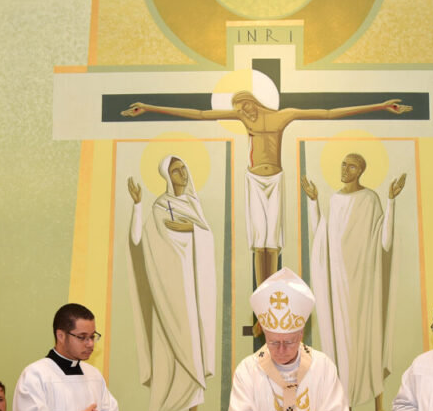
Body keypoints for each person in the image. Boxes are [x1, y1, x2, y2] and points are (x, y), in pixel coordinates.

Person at [122, 93, 411, 291]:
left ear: (253, 101)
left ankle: (269, 297)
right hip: (253, 181)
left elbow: (327, 113)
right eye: (238, 107)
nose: (243, 111)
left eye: (245, 104)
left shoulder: (282, 116)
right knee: (258, 242)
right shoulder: (243, 118)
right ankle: (262, 296)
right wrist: (150, 108)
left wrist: (380, 107)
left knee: (272, 243)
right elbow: (200, 115)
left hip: (274, 181)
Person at [301, 153, 407, 411]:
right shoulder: (335, 200)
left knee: (368, 339)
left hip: (364, 282)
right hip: (339, 282)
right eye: (343, 163)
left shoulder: (370, 199)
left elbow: (383, 239)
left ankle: (378, 405)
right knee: (342, 342)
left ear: (360, 170)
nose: (344, 168)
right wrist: (313, 202)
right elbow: (321, 236)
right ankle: (344, 405)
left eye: (350, 165)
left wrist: (391, 200)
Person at [221, 267, 351, 411]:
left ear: (301, 334)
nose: (281, 350)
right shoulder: (248, 370)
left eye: (288, 342)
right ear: (264, 333)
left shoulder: (323, 366)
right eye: (273, 342)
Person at [126, 155, 216, 411]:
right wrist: (138, 205)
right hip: (166, 290)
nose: (182, 174)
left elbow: (206, 239)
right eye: (176, 170)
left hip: (191, 289)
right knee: (164, 349)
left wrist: (192, 229)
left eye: (184, 169)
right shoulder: (160, 206)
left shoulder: (192, 205)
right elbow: (141, 242)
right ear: (167, 174)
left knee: (193, 346)